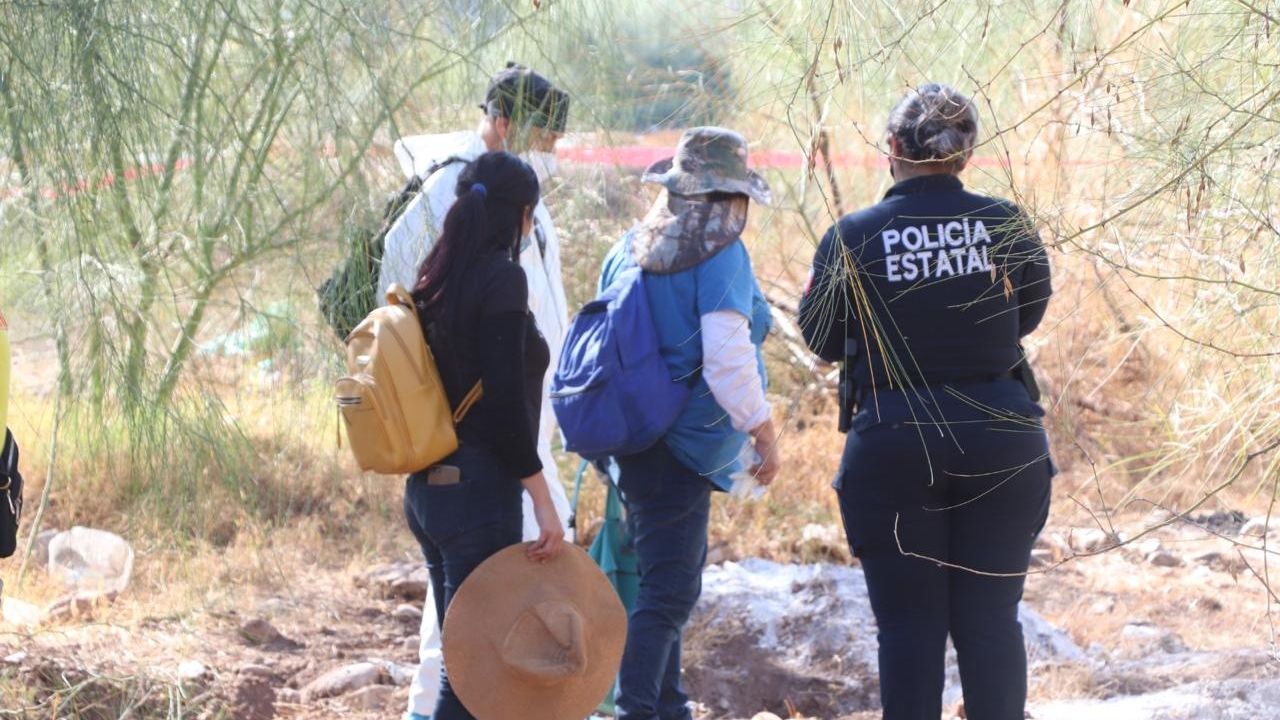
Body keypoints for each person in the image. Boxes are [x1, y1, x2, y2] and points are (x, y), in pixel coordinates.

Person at [798, 83, 1054, 720]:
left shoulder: (853, 236)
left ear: (892, 148)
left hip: (893, 440)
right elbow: (1027, 314)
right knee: (991, 622)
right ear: (967, 156)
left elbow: (821, 339)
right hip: (1002, 437)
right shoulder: (1005, 222)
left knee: (909, 630)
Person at [382, 64, 575, 719]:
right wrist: (543, 496)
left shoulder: (439, 275)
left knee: (459, 657)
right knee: (470, 668)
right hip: (480, 483)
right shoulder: (498, 281)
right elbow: (497, 402)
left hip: (433, 484)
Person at [598, 127, 782, 720]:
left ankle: (668, 707)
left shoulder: (626, 247)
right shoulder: (720, 257)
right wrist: (763, 430)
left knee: (664, 578)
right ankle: (637, 711)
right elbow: (727, 357)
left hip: (630, 439)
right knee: (669, 593)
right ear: (728, 198)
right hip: (682, 447)